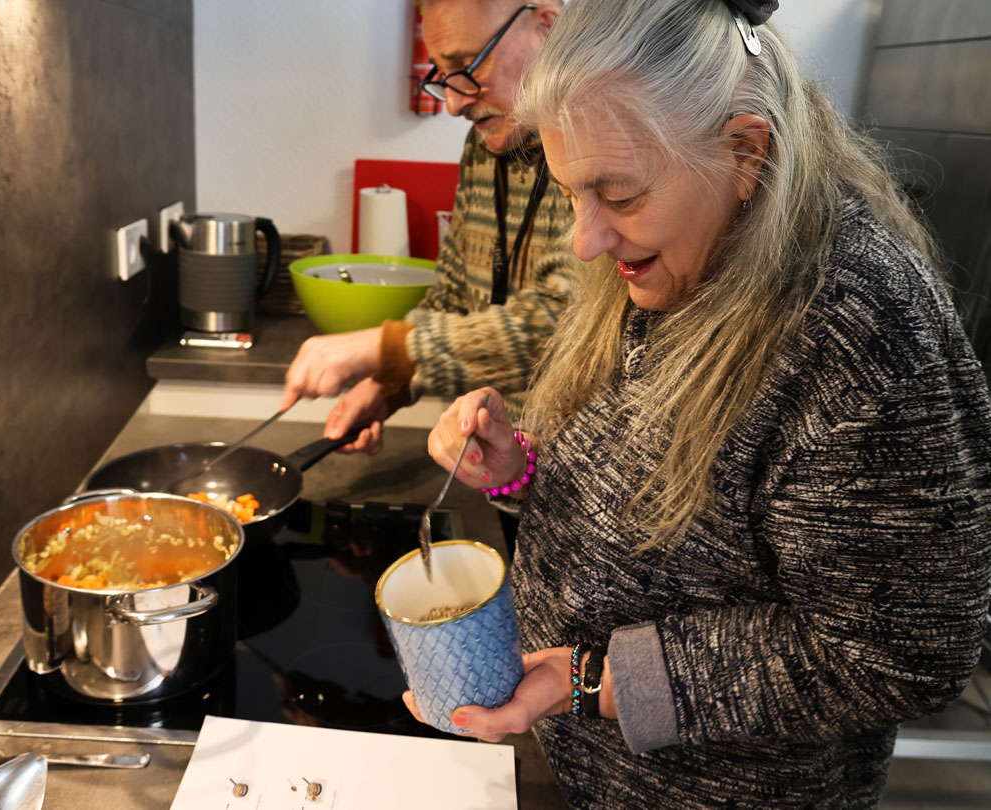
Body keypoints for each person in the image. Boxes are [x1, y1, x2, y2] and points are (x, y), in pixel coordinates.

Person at [417, 0, 991, 807]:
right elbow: (662, 499)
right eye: (572, 193)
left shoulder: (858, 327)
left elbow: (901, 653)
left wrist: (592, 679)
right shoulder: (672, 254)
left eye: (617, 195)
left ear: (745, 150)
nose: (586, 239)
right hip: (590, 774)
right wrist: (522, 471)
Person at [279, 0, 588, 454]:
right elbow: (454, 294)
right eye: (443, 75)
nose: (455, 103)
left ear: (547, 25)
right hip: (501, 458)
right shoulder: (484, 144)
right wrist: (387, 387)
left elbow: (564, 324)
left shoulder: (597, 143)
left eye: (468, 65)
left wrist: (389, 349)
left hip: (587, 481)